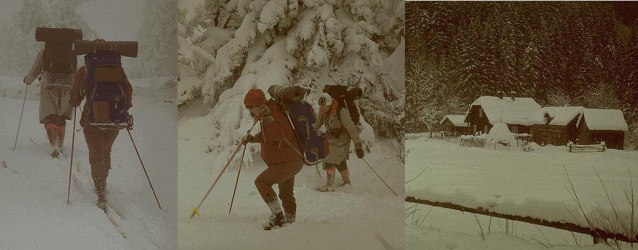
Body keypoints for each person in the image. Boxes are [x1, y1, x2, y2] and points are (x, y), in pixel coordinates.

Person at [69, 42, 133, 211]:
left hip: (92, 119)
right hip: (115, 119)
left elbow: (75, 97)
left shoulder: (85, 70)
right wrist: (124, 109)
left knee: (96, 153)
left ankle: (100, 188)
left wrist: (74, 102)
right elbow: (128, 90)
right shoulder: (117, 68)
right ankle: (103, 180)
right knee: (105, 150)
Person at [241, 88, 303, 229]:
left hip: (290, 161)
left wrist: (267, 119)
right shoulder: (269, 113)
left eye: (250, 108)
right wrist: (251, 139)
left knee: (261, 181)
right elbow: (268, 137)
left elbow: (280, 135)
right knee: (285, 191)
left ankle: (278, 216)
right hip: (288, 159)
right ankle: (290, 220)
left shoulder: (272, 113)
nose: (250, 112)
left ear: (257, 106)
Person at [23, 48, 75, 157]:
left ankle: (54, 144)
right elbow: (75, 68)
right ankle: (60, 143)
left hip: (49, 84)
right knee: (61, 116)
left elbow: (36, 68)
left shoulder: (45, 51)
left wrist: (28, 80)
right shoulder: (70, 51)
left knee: (50, 116)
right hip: (68, 85)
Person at [314, 93, 364, 192]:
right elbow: (317, 123)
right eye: (321, 106)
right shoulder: (322, 111)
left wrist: (358, 146)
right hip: (331, 137)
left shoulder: (341, 111)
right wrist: (307, 131)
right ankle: (347, 183)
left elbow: (352, 129)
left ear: (330, 104)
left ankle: (329, 185)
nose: (322, 108)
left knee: (328, 157)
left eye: (324, 106)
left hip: (343, 138)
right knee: (340, 161)